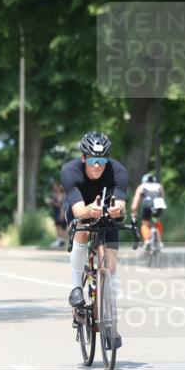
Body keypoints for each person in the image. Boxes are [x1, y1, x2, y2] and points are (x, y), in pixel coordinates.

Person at [60, 131, 128, 347]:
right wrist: (91, 209)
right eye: (92, 160)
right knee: (82, 230)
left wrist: (116, 211)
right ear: (84, 159)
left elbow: (121, 206)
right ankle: (76, 289)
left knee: (111, 263)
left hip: (106, 212)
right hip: (80, 208)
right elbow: (79, 211)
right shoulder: (70, 172)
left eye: (102, 160)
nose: (97, 166)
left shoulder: (118, 172)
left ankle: (110, 319)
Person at [130, 172, 166, 246]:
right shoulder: (159, 186)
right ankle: (159, 242)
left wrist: (134, 212)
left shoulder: (142, 186)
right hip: (159, 204)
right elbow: (163, 198)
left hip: (147, 204)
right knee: (157, 222)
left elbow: (135, 203)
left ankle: (147, 241)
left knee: (145, 224)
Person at [48, 182, 68, 248]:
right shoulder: (56, 194)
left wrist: (62, 213)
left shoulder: (63, 195)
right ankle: (59, 240)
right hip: (56, 212)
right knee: (57, 226)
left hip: (60, 212)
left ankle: (62, 241)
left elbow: (60, 205)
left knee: (62, 227)